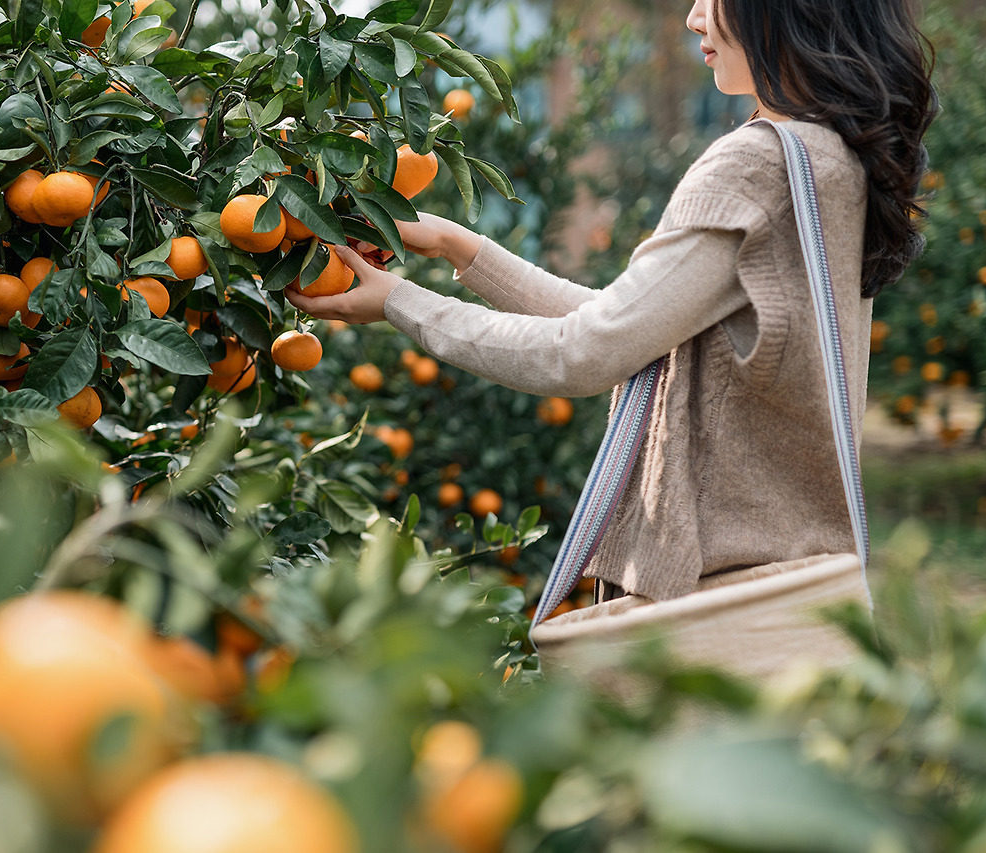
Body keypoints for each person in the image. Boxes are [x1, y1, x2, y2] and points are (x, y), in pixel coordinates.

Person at [285, 0, 936, 604]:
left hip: (717, 592)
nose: (692, 17)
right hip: (787, 584)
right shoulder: (833, 158)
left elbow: (587, 352)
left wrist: (403, 303)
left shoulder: (757, 164)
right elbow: (630, 323)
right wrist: (460, 247)